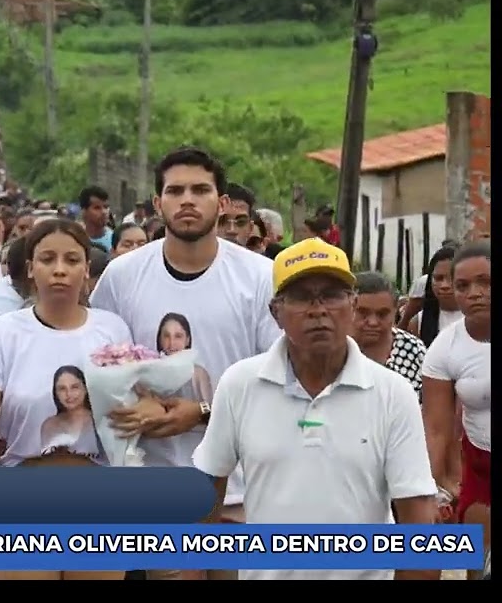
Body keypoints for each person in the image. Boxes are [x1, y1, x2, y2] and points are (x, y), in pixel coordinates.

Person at [193, 239, 438, 580]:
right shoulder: (240, 384)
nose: (318, 310)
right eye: (301, 297)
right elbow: (208, 491)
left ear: (352, 305)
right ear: (276, 312)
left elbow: (417, 514)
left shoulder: (392, 393)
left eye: (332, 295)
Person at [89, 146, 281, 581]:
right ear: (158, 203)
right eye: (175, 191)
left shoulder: (258, 277)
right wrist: (134, 404)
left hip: (243, 487)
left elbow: (278, 378)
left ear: (223, 202)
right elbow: (99, 365)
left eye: (200, 190)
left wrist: (203, 412)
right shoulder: (122, 276)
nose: (188, 200)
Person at [0, 217, 132, 581]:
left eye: (72, 260)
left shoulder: (112, 329)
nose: (59, 270)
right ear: (30, 268)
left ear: (86, 269)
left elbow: (127, 412)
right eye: (47, 259)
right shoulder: (3, 333)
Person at [421, 242, 490, 577]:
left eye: (485, 282)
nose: (474, 293)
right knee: (477, 561)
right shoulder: (445, 347)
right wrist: (431, 488)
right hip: (480, 466)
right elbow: (436, 428)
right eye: (463, 285)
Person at [351, 272, 426, 397]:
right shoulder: (333, 349)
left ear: (395, 311)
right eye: (363, 313)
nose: (373, 322)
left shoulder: (414, 350)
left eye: (382, 314)